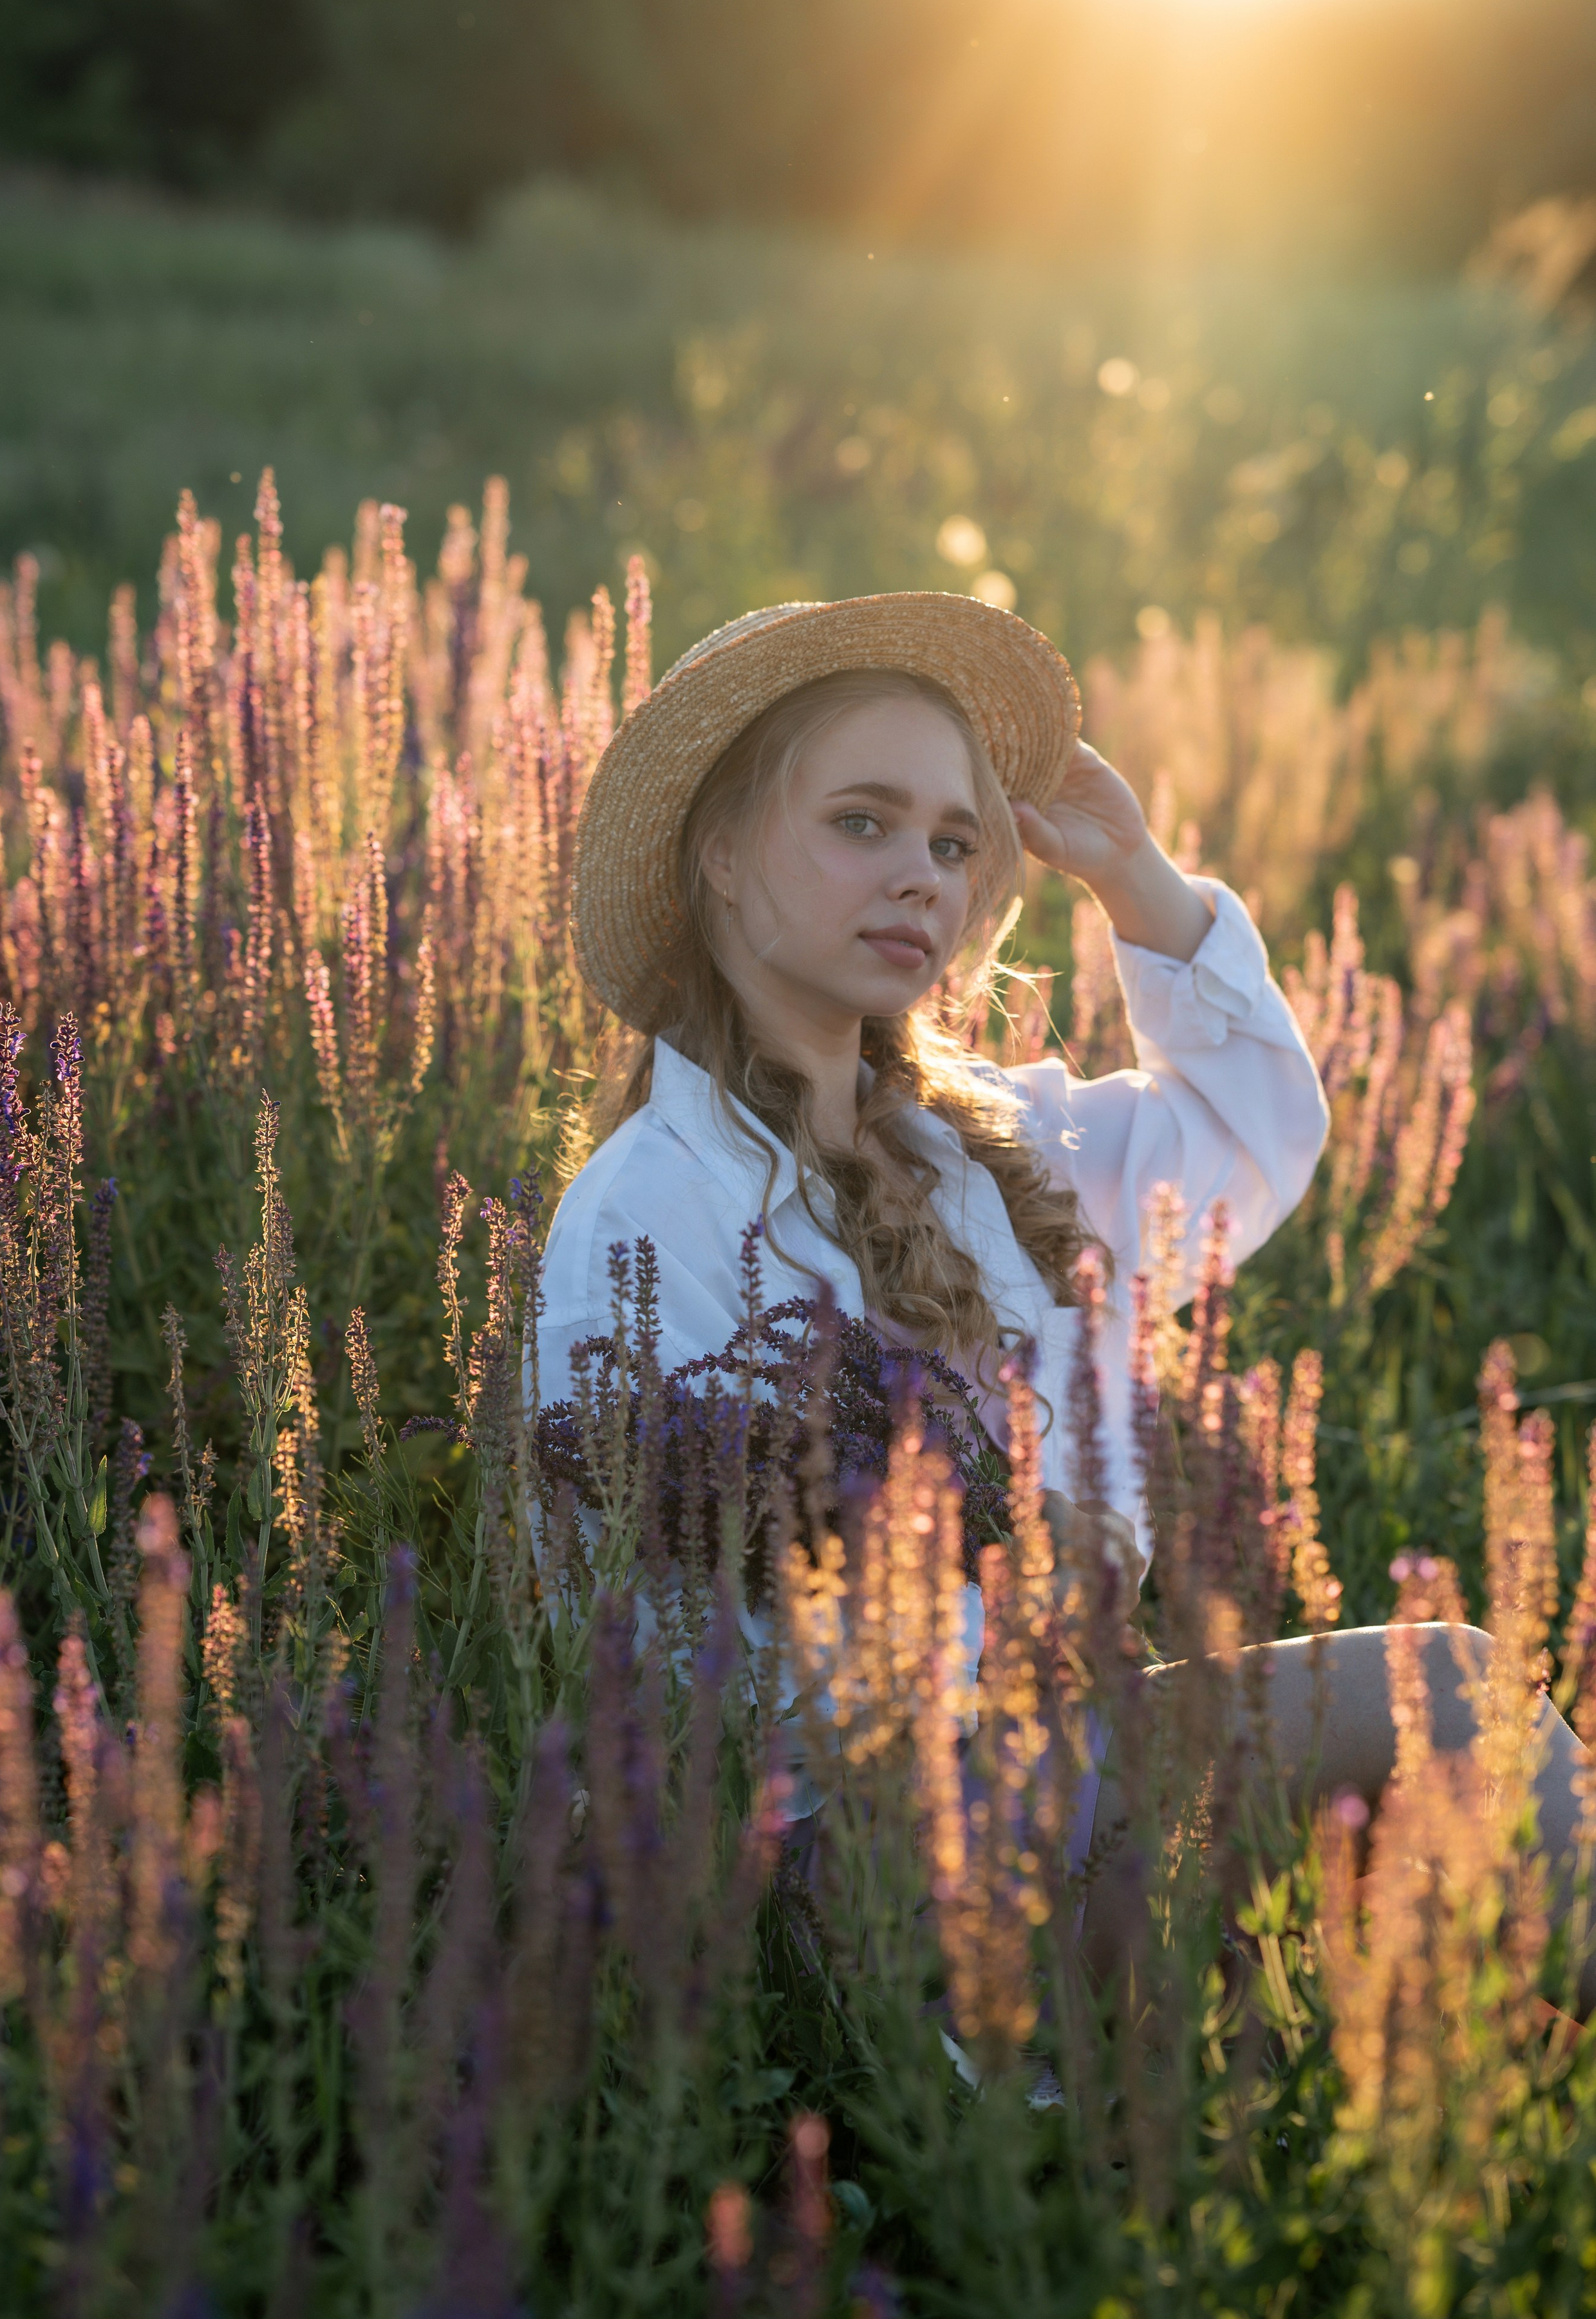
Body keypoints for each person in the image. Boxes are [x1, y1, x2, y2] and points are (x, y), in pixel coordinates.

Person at [538, 592, 1594, 1994]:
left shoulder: (980, 1147)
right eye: (861, 822)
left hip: (1044, 1779)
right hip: (835, 1868)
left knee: (1374, 1974)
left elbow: (1239, 1145)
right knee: (1450, 1688)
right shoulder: (644, 1213)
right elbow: (672, 1668)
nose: (921, 871)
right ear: (720, 853)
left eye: (952, 839)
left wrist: (1135, 880)